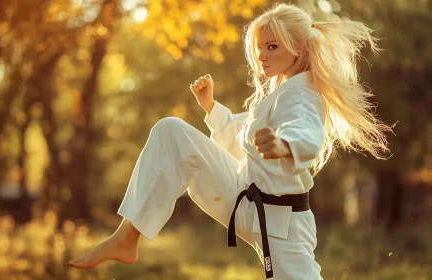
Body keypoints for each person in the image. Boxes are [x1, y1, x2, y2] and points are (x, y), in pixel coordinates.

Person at [68, 3, 391, 279]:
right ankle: (127, 237)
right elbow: (243, 132)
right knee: (171, 132)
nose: (262, 56)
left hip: (280, 222)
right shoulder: (281, 93)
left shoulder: (301, 96)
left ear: (300, 48)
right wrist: (210, 107)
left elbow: (305, 131)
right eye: (260, 47)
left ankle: (126, 238)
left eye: (272, 46)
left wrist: (284, 145)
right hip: (250, 202)